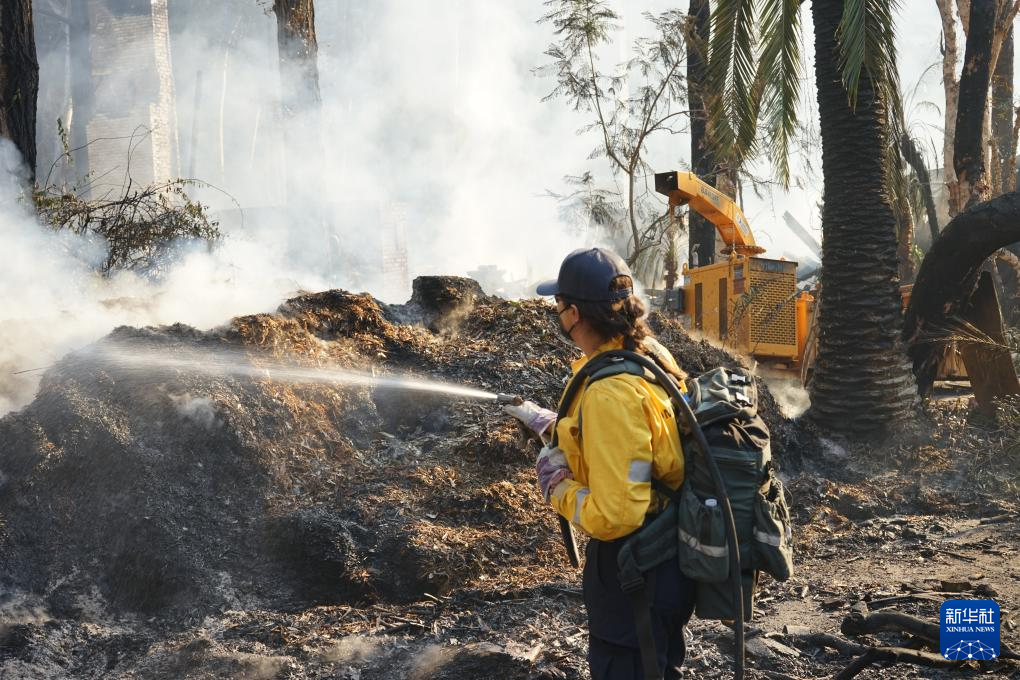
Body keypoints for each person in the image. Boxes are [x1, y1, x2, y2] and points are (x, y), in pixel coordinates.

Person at [504, 247, 695, 680]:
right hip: (664, 558)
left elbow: (615, 515)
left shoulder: (610, 393)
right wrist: (553, 425)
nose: (556, 314)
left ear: (574, 313)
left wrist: (558, 488)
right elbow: (639, 443)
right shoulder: (646, 354)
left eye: (558, 305)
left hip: (635, 570)